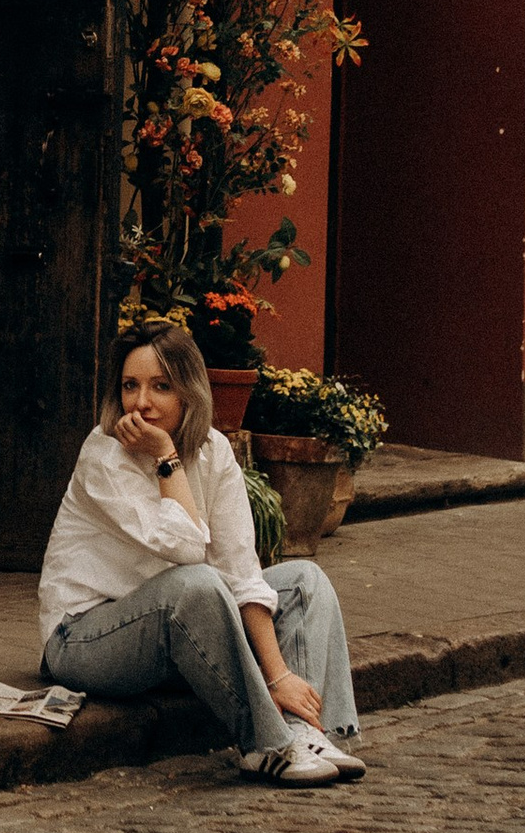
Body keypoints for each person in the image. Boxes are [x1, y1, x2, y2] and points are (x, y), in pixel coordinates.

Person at [36, 321, 366, 787]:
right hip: (83, 638)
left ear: (189, 392)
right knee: (196, 584)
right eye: (130, 386)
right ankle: (265, 746)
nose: (141, 402)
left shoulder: (214, 451)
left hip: (171, 632)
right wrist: (165, 456)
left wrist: (279, 675)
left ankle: (310, 732)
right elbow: (189, 549)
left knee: (303, 582)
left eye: (160, 386)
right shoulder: (104, 456)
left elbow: (240, 570)